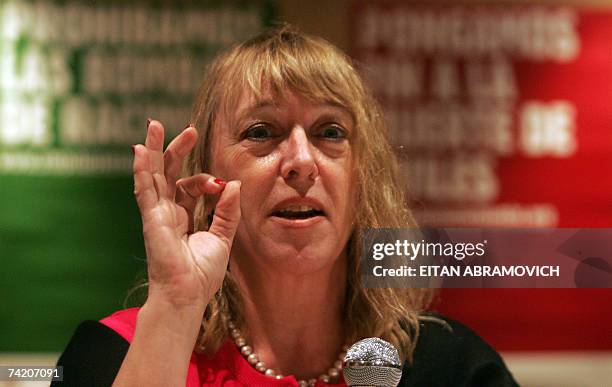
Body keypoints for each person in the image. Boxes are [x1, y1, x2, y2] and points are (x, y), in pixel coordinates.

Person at [54, 24, 519, 386]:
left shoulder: (449, 368)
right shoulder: (116, 353)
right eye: (262, 132)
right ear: (208, 176)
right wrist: (175, 308)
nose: (301, 162)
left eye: (329, 132)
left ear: (363, 177)